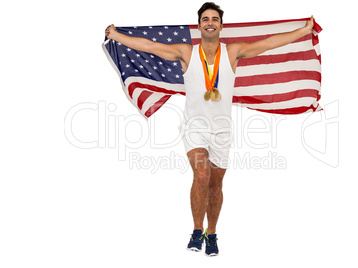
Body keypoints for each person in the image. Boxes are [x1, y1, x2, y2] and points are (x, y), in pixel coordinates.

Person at [105, 2, 314, 257]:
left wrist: (303, 32)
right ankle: (196, 230)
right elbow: (151, 46)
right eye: (206, 19)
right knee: (202, 175)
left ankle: (211, 233)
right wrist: (116, 36)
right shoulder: (187, 52)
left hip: (223, 130)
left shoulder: (233, 51)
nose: (210, 22)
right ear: (199, 25)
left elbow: (268, 44)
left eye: (215, 19)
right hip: (196, 127)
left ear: (221, 26)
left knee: (215, 185)